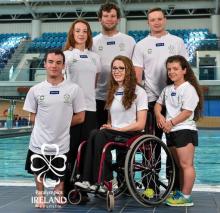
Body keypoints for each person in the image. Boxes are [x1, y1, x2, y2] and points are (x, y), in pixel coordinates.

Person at [132, 7, 189, 191]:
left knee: (174, 145)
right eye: (152, 20)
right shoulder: (141, 45)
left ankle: (176, 188)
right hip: (151, 101)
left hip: (174, 103)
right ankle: (150, 185)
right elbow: (137, 77)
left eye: (159, 19)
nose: (156, 22)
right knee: (151, 146)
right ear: (148, 22)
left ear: (165, 20)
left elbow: (184, 72)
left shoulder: (177, 41)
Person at [74, 55, 148, 192]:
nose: (117, 71)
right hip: (114, 132)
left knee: (101, 135)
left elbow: (141, 124)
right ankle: (86, 179)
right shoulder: (112, 92)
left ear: (129, 71)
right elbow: (110, 120)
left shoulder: (140, 92)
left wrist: (118, 129)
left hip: (131, 133)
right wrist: (109, 126)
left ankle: (106, 180)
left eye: (121, 68)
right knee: (94, 133)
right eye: (114, 68)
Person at [24, 49, 86, 208]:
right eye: (50, 62)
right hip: (39, 139)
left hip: (62, 140)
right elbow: (31, 115)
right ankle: (40, 196)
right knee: (38, 169)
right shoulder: (35, 90)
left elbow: (80, 116)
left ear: (64, 65)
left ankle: (59, 194)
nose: (54, 66)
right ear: (44, 64)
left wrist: (61, 123)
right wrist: (44, 125)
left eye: (58, 63)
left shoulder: (73, 89)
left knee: (61, 170)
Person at [154, 55, 203, 206]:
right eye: (169, 69)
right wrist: (159, 116)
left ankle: (187, 197)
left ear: (184, 70)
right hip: (172, 131)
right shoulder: (168, 89)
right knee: (179, 165)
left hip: (184, 130)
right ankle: (182, 193)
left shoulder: (189, 89)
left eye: (175, 69)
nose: (171, 72)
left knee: (186, 164)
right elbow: (158, 104)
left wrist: (170, 123)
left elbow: (187, 112)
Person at [63, 19, 101, 200]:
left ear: (88, 34)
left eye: (84, 31)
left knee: (86, 149)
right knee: (70, 149)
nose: (81, 34)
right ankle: (68, 187)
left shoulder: (95, 57)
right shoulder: (66, 56)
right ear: (72, 33)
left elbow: (94, 82)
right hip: (72, 109)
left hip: (90, 108)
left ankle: (83, 188)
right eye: (78, 30)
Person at [92, 2, 136, 128]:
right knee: (99, 135)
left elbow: (134, 70)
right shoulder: (93, 43)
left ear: (118, 19)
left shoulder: (129, 41)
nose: (109, 19)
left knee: (121, 136)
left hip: (122, 96)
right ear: (100, 19)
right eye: (106, 16)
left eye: (112, 16)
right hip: (99, 97)